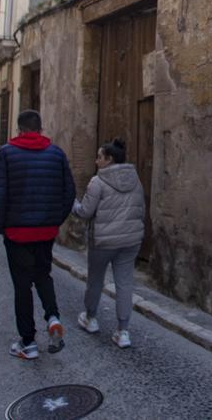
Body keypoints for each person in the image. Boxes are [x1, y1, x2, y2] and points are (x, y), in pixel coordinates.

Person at [0, 110, 76, 360]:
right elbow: (68, 192)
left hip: (17, 232)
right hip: (45, 231)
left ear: (19, 129)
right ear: (40, 128)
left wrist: (1, 225)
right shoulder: (57, 154)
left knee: (22, 285)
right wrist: (54, 220)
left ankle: (28, 342)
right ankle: (52, 317)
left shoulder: (6, 154)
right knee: (43, 276)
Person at [73, 138, 145, 349]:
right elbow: (141, 208)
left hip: (103, 242)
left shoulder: (98, 182)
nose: (96, 161)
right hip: (130, 241)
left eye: (99, 157)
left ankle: (91, 318)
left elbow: (85, 212)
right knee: (125, 283)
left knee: (95, 280)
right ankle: (123, 332)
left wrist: (72, 204)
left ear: (109, 159)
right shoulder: (136, 179)